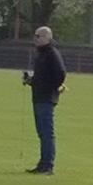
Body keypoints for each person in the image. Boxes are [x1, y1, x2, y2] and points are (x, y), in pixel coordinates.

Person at [22, 26, 66, 175]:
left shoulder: (52, 53)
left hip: (46, 98)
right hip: (38, 97)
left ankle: (48, 166)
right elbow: (41, 77)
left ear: (47, 37)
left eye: (38, 36)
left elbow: (60, 74)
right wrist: (30, 80)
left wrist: (53, 88)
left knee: (47, 133)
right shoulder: (41, 54)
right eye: (35, 36)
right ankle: (42, 164)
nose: (35, 39)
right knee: (42, 132)